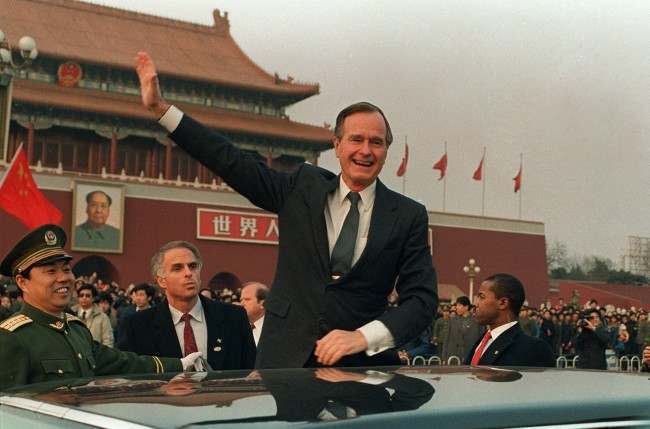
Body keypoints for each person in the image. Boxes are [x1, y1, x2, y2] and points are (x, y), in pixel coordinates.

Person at [135, 52, 438, 368]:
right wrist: (162, 110)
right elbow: (230, 160)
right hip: (283, 364)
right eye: (356, 139)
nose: (365, 150)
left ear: (386, 150)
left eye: (376, 142)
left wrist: (363, 337)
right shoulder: (302, 187)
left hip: (360, 367)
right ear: (336, 145)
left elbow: (422, 301)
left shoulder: (406, 216)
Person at [0, 225, 201, 390]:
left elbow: (123, 363)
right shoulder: (11, 338)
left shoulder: (75, 329)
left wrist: (181, 365)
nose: (64, 278)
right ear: (22, 282)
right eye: (51, 271)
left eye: (67, 270)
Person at [118, 240, 256, 370]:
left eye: (193, 266)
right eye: (177, 268)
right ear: (162, 281)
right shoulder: (137, 326)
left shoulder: (234, 317)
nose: (189, 273)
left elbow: (251, 371)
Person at [466, 273, 555, 367]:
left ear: (503, 303)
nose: (475, 303)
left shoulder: (534, 349)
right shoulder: (483, 340)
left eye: (482, 297)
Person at [442, 297, 482, 363]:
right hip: (453, 357)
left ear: (466, 307)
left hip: (470, 357)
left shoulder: (477, 321)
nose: (456, 307)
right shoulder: (452, 321)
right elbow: (446, 339)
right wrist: (444, 357)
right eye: (456, 305)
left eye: (459, 305)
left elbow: (481, 340)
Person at [239, 282, 269, 346]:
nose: (241, 304)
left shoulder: (274, 328)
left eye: (247, 299)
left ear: (262, 303)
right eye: (241, 300)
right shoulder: (238, 328)